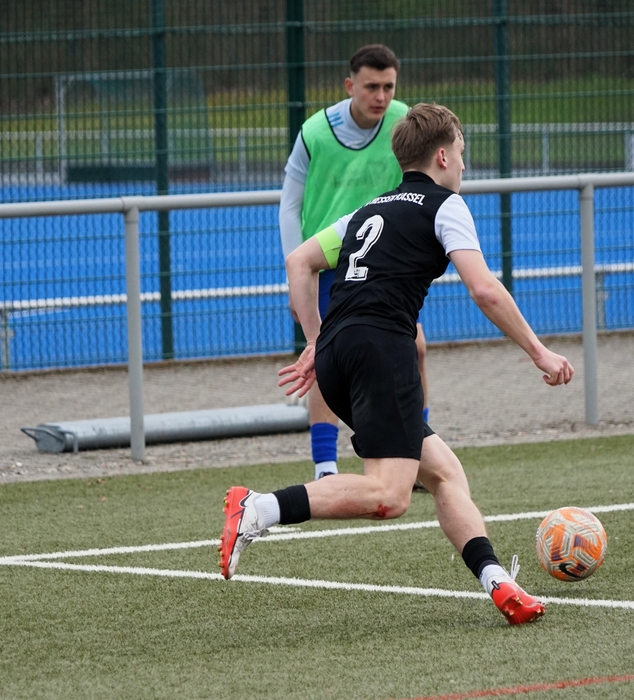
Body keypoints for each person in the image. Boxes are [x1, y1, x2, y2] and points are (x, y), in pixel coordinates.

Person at [221, 103, 575, 625]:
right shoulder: (446, 205)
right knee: (390, 496)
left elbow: (299, 261)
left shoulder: (369, 210)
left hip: (339, 354)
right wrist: (539, 351)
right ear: (442, 156)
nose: (464, 164)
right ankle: (258, 507)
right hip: (381, 350)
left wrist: (316, 340)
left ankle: (499, 583)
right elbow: (483, 289)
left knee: (445, 474)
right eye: (461, 152)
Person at [278, 44, 430, 481]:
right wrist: (294, 271)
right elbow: (289, 205)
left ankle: (417, 454)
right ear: (350, 86)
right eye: (371, 87)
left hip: (385, 261)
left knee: (415, 347)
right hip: (329, 264)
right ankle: (325, 467)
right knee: (326, 357)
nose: (381, 96)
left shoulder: (405, 122)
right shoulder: (314, 132)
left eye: (388, 87)